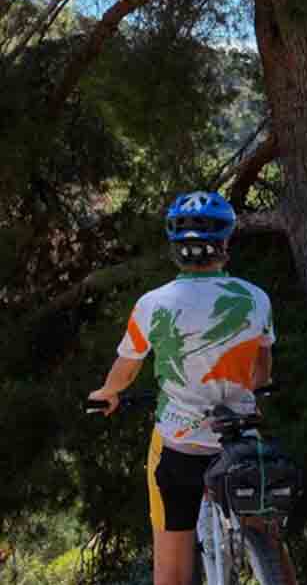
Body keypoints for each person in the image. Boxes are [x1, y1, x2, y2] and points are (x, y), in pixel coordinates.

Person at [89, 191, 291, 585]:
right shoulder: (254, 299)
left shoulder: (153, 304)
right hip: (239, 440)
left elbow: (126, 371)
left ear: (175, 249)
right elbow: (261, 369)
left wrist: (107, 394)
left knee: (171, 567)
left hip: (179, 443)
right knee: (270, 541)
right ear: (225, 243)